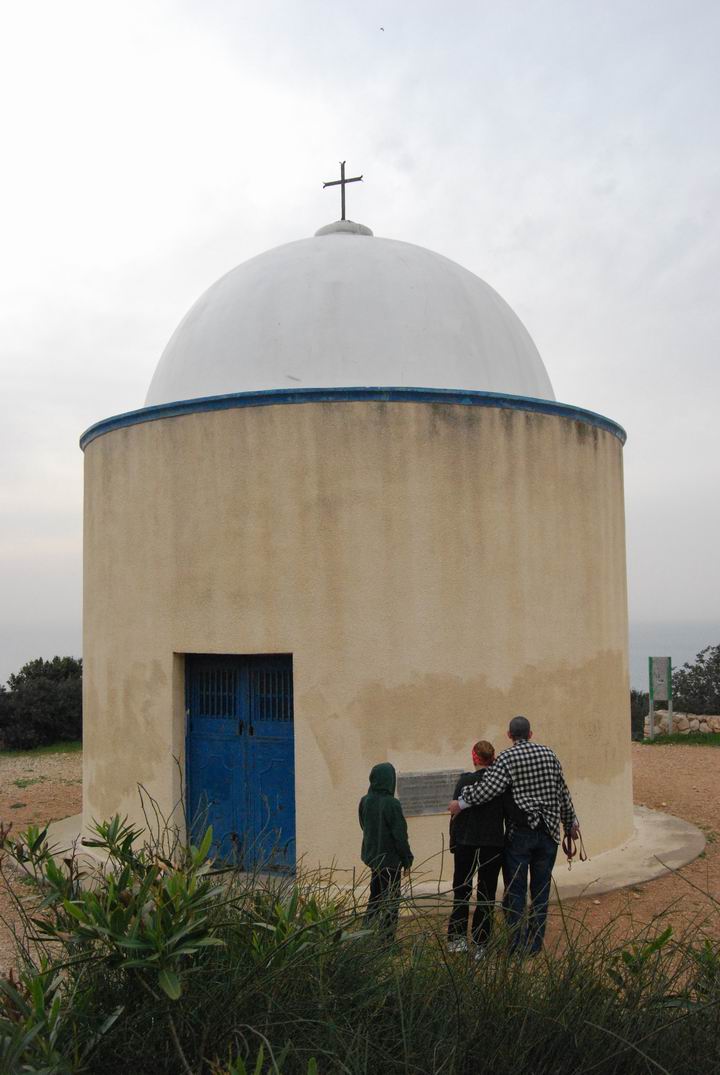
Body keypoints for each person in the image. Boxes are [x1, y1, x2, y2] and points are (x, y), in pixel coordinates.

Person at [448, 716, 579, 954]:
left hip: (521, 833)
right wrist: (570, 823)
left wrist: (461, 803)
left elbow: (488, 789)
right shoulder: (550, 755)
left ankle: (516, 944)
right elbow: (563, 792)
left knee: (516, 890)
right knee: (541, 890)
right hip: (549, 832)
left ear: (509, 735)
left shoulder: (508, 758)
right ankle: (534, 944)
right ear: (531, 733)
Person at [447, 740, 504, 955]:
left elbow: (455, 815)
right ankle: (481, 942)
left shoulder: (465, 782)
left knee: (461, 889)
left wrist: (454, 841)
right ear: (493, 758)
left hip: (466, 842)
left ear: (474, 757)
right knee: (486, 893)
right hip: (492, 843)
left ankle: (457, 939)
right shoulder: (500, 786)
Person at [359, 762, 413, 941]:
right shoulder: (392, 804)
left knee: (375, 897)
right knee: (391, 901)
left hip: (374, 858)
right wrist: (407, 860)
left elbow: (363, 826)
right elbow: (400, 836)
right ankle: (386, 941)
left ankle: (364, 934)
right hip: (390, 861)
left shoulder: (365, 801)